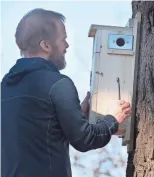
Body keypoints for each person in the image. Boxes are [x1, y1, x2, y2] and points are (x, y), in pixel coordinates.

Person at [1, 8, 132, 177]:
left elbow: (38, 137)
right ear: (46, 45)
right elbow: (85, 139)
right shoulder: (58, 84)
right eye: (63, 39)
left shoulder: (4, 87)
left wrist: (76, 115)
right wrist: (113, 119)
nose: (67, 45)